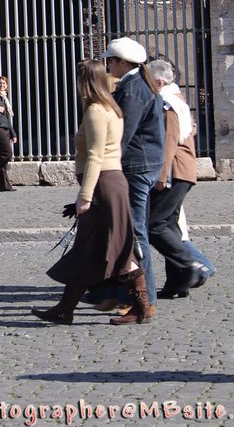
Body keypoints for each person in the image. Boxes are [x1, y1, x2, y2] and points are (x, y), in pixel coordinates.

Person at [32, 59, 148, 325]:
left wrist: (84, 197)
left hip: (103, 184)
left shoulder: (96, 110)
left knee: (116, 249)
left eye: (78, 78)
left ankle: (141, 306)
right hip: (111, 182)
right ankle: (65, 308)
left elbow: (95, 156)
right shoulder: (111, 107)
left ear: (86, 81)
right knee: (92, 249)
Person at [100, 37, 164, 315]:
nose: (108, 65)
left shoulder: (133, 91)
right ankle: (119, 293)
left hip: (136, 167)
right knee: (129, 232)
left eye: (111, 61)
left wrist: (107, 167)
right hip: (144, 164)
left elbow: (122, 135)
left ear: (123, 62)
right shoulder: (136, 84)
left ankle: (144, 299)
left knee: (135, 234)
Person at [147, 59, 211, 299]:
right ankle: (177, 283)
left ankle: (189, 266)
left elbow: (168, 143)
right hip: (181, 172)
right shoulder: (178, 99)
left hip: (174, 172)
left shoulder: (167, 104)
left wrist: (160, 177)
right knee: (170, 226)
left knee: (154, 224)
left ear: (160, 81)